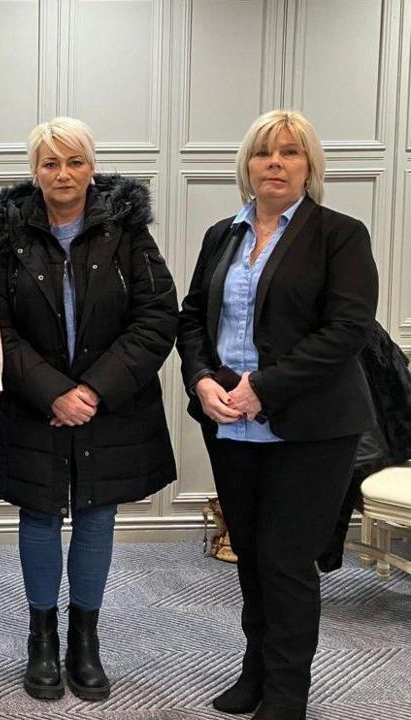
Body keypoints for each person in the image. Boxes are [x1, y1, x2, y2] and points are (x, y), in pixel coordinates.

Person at [176, 110, 378, 720]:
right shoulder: (223, 235)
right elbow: (191, 319)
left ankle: (287, 694)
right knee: (251, 557)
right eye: (264, 153)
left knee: (286, 563)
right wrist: (203, 379)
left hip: (309, 428)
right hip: (231, 424)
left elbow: (347, 330)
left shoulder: (339, 234)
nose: (276, 163)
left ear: (309, 166)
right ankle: (254, 672)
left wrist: (264, 387)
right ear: (248, 164)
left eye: (291, 153)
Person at [0, 117, 178, 704]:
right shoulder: (6, 240)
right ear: (34, 172)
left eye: (74, 162)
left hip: (110, 408)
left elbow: (157, 317)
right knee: (39, 514)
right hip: (32, 407)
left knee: (96, 515)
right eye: (50, 163)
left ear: (92, 167)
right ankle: (41, 638)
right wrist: (52, 392)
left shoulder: (129, 234)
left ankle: (83, 641)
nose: (63, 174)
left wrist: (91, 390)